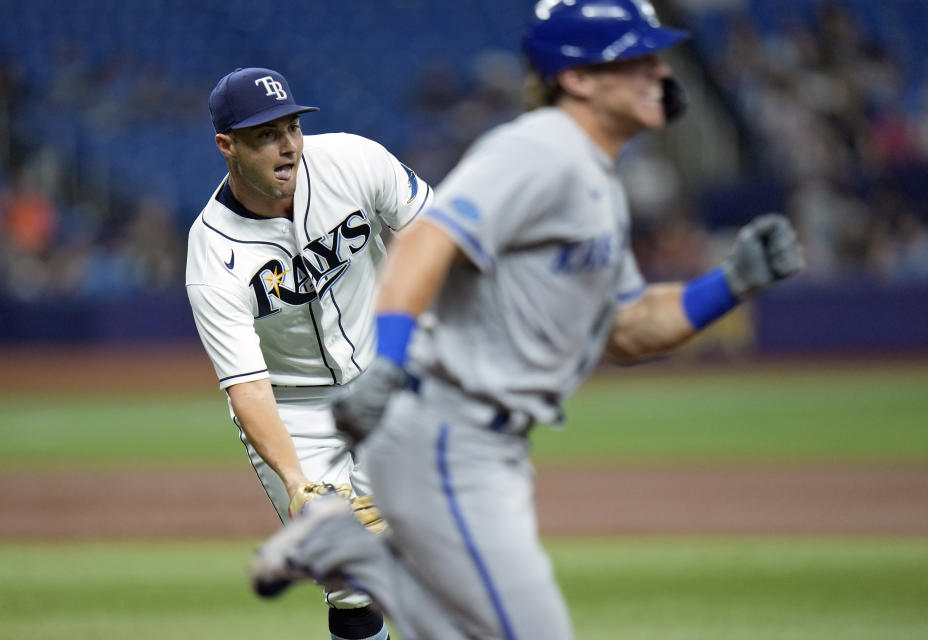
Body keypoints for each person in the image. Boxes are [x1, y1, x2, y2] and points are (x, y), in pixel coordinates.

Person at [250, 2, 805, 639]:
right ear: (579, 80)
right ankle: (353, 552)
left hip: (493, 446)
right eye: (635, 60)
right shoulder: (539, 151)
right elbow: (426, 242)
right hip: (448, 436)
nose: (658, 72)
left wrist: (729, 285)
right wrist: (391, 360)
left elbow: (628, 328)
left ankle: (350, 551)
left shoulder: (593, 179)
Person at [185, 66, 432, 640]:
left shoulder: (353, 161)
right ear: (228, 146)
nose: (287, 145)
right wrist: (296, 481)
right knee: (349, 583)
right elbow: (246, 383)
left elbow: (433, 236)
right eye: (265, 134)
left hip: (384, 376)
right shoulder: (213, 253)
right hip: (295, 411)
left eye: (291, 127)